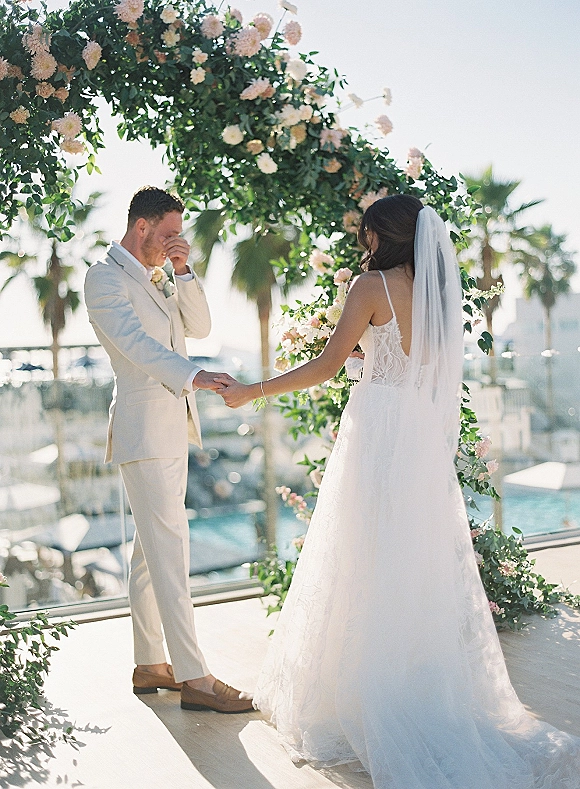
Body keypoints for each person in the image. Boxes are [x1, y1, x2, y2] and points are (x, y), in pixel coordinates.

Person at [215, 195, 580, 786]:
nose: (363, 243)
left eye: (366, 233)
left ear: (381, 236)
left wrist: (251, 391)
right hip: (416, 436)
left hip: (378, 429)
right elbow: (413, 361)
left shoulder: (369, 287)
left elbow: (327, 367)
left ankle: (366, 690)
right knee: (409, 557)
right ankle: (409, 680)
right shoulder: (438, 294)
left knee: (361, 552)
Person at [84, 186, 253, 714]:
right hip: (142, 428)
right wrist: (195, 376)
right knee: (171, 550)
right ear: (141, 227)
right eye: (168, 234)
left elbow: (199, 327)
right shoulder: (104, 276)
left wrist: (183, 272)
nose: (174, 241)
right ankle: (195, 677)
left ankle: (151, 664)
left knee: (148, 551)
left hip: (171, 429)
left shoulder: (161, 273)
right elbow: (135, 345)